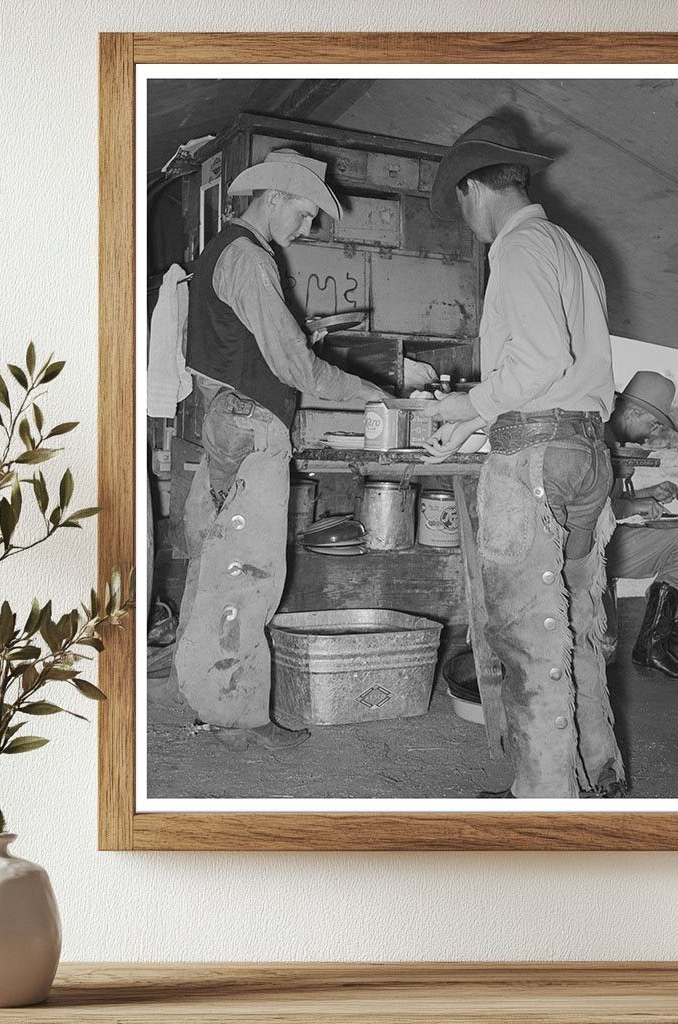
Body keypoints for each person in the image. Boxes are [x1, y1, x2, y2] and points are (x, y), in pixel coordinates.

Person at [171, 148, 434, 751]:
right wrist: (390, 401)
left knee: (214, 567)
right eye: (308, 212)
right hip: (251, 423)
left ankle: (202, 698)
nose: (309, 226)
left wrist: (300, 333)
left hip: (220, 418)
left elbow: (244, 343)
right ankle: (240, 721)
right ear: (275, 196)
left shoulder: (224, 251)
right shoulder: (249, 259)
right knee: (249, 576)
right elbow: (303, 374)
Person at [423, 117, 624, 799]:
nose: (468, 219)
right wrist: (479, 425)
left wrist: (466, 407)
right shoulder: (571, 249)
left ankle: (543, 801)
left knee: (528, 637)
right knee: (578, 622)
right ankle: (599, 777)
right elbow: (562, 376)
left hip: (535, 461)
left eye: (461, 203)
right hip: (584, 453)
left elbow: (537, 363)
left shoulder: (517, 246)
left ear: (474, 188)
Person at [605, 371, 678, 678]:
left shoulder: (610, 438)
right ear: (634, 412)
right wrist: (635, 505)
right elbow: (587, 510)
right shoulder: (597, 441)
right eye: (652, 423)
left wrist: (647, 494)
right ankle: (653, 644)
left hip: (601, 540)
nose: (653, 433)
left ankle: (665, 635)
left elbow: (606, 499)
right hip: (588, 550)